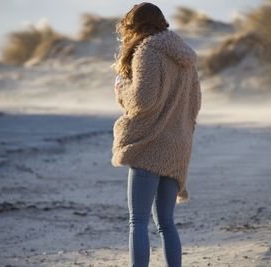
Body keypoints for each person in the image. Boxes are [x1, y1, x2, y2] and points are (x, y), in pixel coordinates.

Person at [111, 2, 201, 266]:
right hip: (177, 147)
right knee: (166, 224)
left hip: (150, 144)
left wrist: (121, 89)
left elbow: (144, 99)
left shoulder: (147, 50)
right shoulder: (185, 57)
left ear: (136, 27)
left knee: (137, 221)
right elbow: (194, 105)